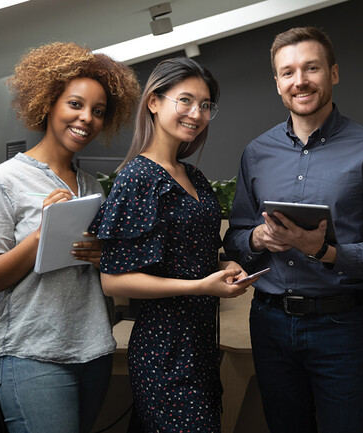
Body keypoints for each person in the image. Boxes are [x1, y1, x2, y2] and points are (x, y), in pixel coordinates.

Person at [223, 26, 363, 433]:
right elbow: (234, 239)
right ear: (277, 82)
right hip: (268, 324)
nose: (299, 81)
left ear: (333, 73)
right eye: (288, 72)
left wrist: (322, 250)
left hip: (338, 328)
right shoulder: (256, 152)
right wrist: (257, 238)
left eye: (311, 68)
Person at [0, 42, 140, 433]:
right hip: (33, 356)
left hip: (93, 350)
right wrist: (42, 234)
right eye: (75, 104)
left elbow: (96, 273)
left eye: (98, 111)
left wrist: (100, 255)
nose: (87, 119)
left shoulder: (91, 184)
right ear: (48, 103)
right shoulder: (3, 182)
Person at [88, 57, 255, 432]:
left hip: (199, 345)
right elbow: (113, 281)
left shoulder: (193, 175)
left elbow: (194, 257)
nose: (197, 113)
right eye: (186, 100)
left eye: (206, 105)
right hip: (163, 349)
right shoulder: (138, 178)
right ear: (154, 102)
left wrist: (224, 267)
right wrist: (200, 286)